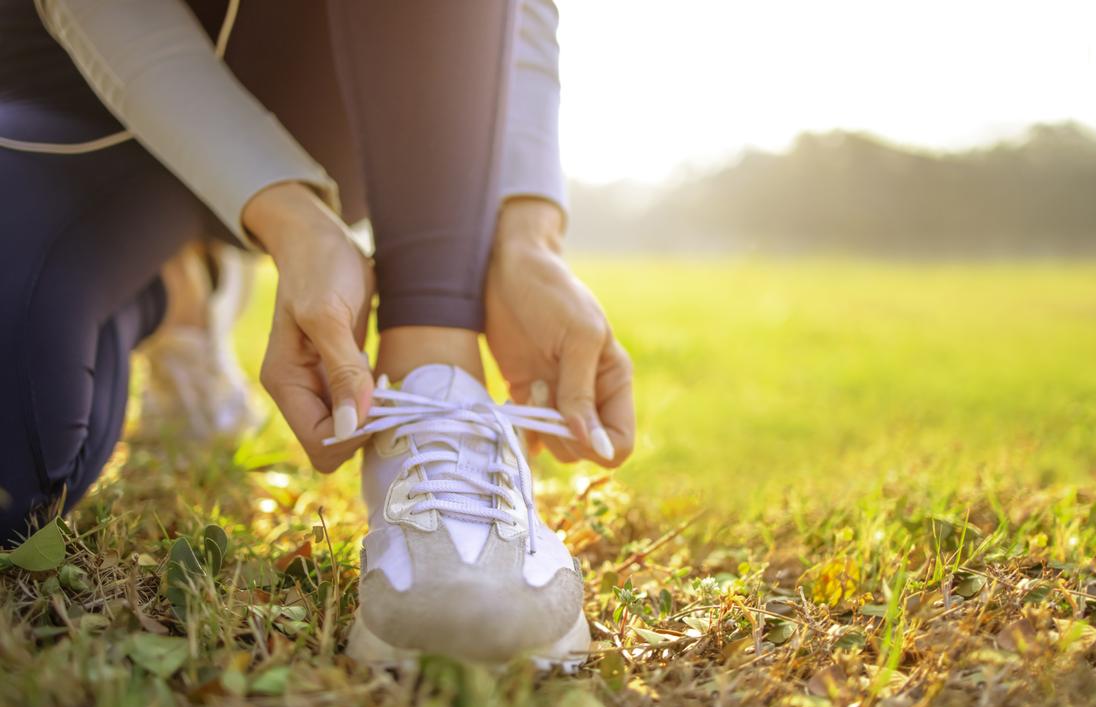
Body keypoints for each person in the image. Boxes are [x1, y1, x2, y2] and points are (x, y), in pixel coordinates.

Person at [0, 0, 634, 669]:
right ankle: (179, 290)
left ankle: (434, 370)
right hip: (71, 96)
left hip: (352, 96)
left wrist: (529, 234)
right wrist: (290, 219)